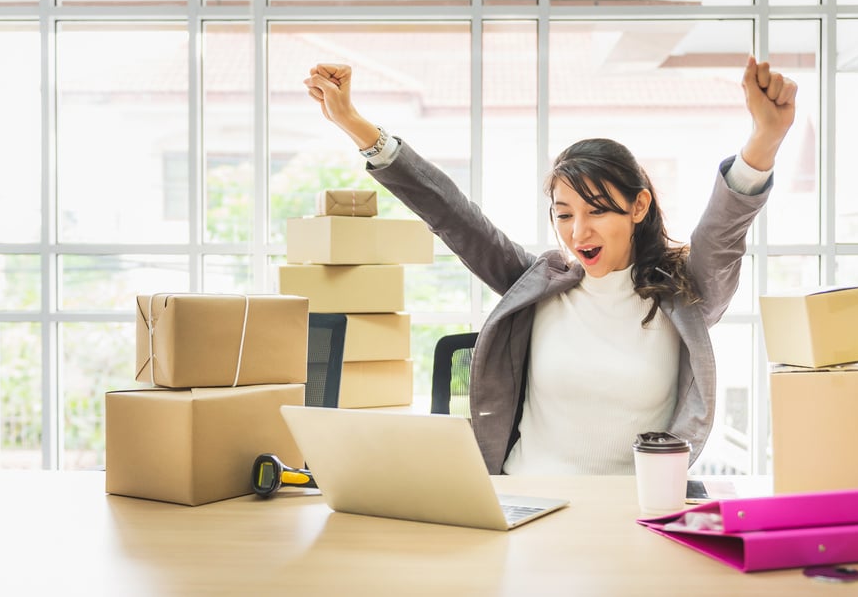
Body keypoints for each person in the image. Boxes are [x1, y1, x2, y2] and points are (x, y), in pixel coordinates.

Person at [303, 58, 797, 475]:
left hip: (629, 513)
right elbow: (451, 213)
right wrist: (354, 124)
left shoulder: (682, 297)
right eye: (564, 215)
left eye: (597, 211)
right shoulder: (538, 282)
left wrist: (765, 139)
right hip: (525, 501)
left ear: (639, 206)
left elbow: (722, 234)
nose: (578, 232)